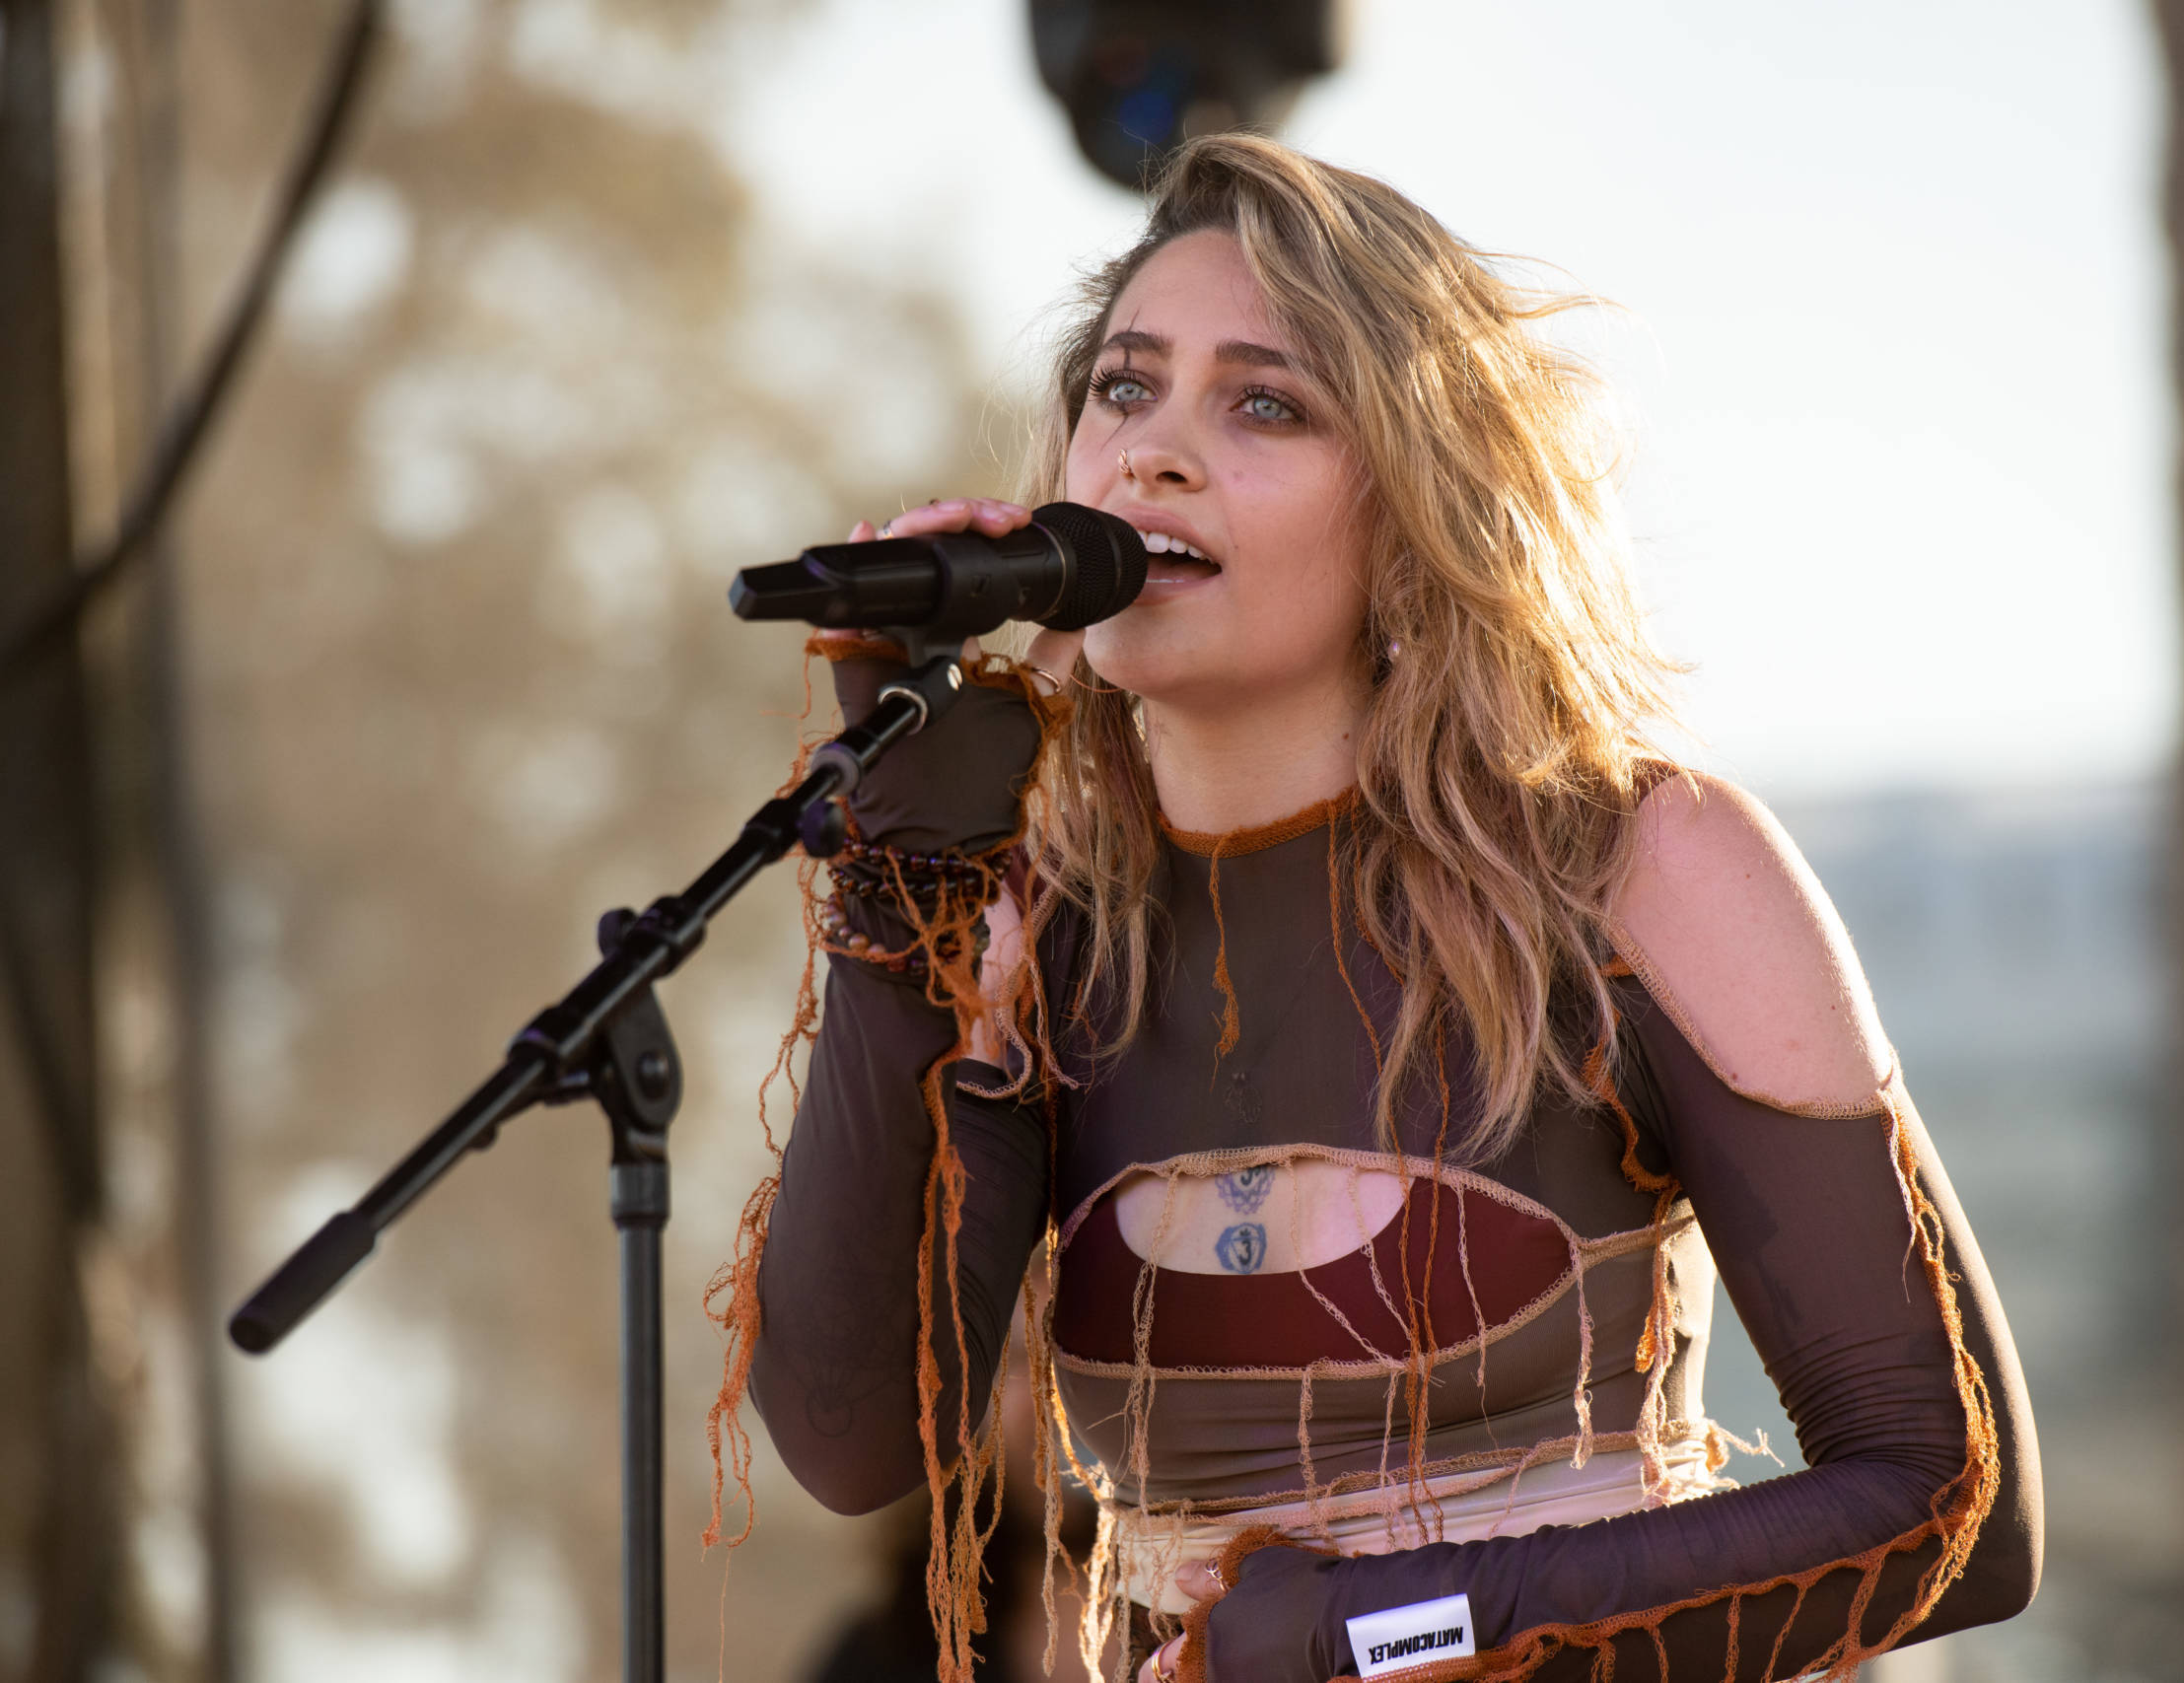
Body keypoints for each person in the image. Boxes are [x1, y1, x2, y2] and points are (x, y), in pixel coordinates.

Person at [715, 135, 2042, 1683]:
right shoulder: (1045, 942)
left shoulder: (1640, 866)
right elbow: (850, 1437)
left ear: (1418, 503)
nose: (1153, 451)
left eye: (1264, 403)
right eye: (1124, 389)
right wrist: (906, 906)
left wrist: (1373, 1638)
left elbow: (1955, 1505)